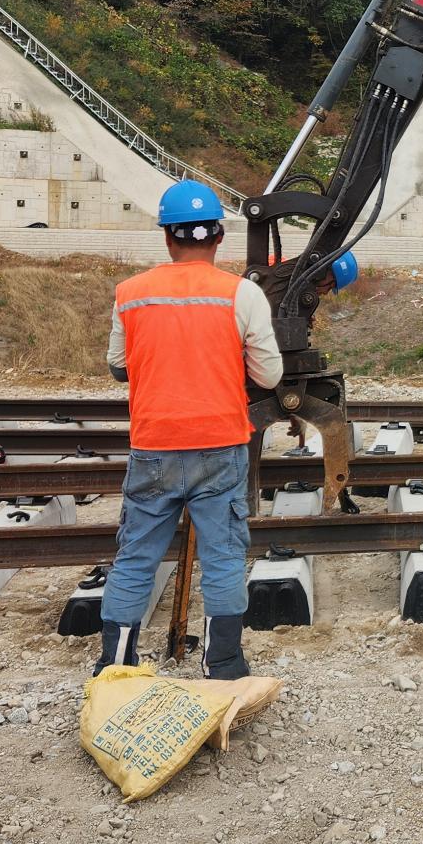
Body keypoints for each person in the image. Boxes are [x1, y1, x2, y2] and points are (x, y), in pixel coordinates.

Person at [94, 180, 282, 679]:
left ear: (167, 237)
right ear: (218, 236)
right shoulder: (242, 294)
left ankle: (115, 665)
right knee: (222, 555)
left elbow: (118, 365)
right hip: (220, 445)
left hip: (153, 445)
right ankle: (222, 663)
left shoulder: (130, 295)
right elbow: (269, 376)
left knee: (136, 555)